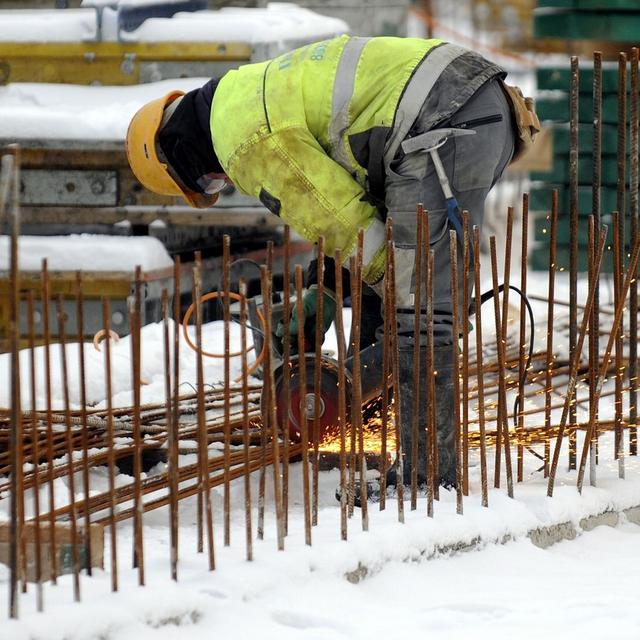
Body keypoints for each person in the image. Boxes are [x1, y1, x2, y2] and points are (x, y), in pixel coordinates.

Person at [126, 35, 539, 491]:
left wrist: (403, 285)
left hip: (441, 119)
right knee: (394, 291)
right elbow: (348, 199)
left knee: (419, 312)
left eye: (206, 179)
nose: (220, 180)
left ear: (180, 152)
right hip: (463, 104)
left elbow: (342, 222)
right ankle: (364, 430)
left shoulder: (240, 137)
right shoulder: (241, 96)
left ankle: (426, 480)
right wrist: (324, 289)